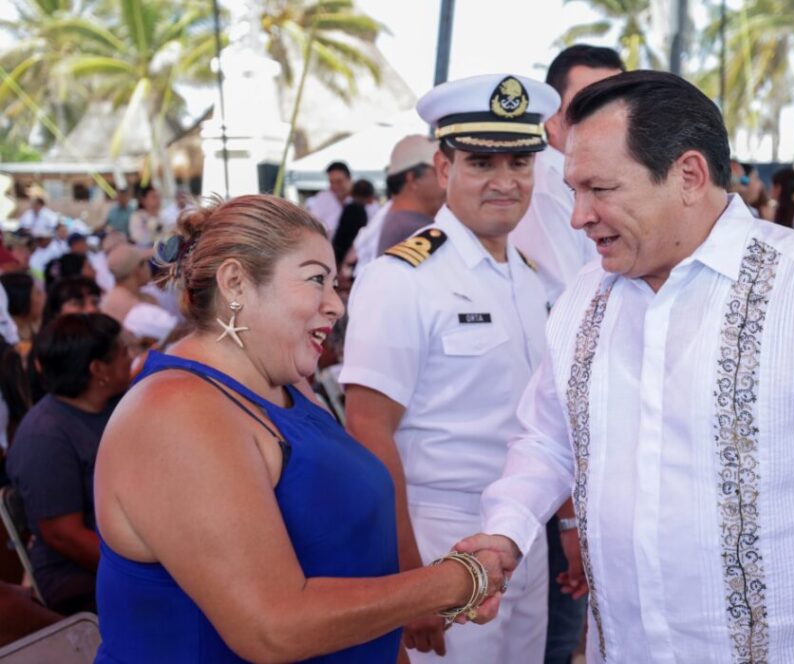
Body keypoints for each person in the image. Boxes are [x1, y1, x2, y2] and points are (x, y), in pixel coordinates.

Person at [456, 71, 794, 663]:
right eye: (573, 190)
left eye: (600, 189)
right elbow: (549, 439)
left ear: (688, 175)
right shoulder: (586, 298)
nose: (579, 216)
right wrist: (507, 528)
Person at [93, 195, 506, 663]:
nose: (335, 305)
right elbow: (273, 627)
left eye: (334, 283)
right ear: (236, 283)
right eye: (315, 280)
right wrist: (455, 581)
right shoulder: (173, 414)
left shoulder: (288, 387)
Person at [342, 73, 559, 663]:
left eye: (519, 163)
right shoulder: (402, 277)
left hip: (522, 533)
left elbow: (543, 419)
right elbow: (367, 428)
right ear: (443, 168)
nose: (505, 182)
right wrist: (408, 580)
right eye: (482, 163)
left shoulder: (529, 275)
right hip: (441, 533)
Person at [508, 43, 622, 664]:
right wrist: (571, 517)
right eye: (587, 103)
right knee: (552, 636)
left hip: (596, 465)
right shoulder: (532, 203)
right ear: (552, 124)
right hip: (548, 470)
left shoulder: (631, 193)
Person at [5, 313, 132, 614]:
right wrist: (142, 571)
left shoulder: (117, 404)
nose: (132, 358)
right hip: (83, 579)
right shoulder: (46, 436)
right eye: (124, 352)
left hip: (133, 552)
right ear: (97, 369)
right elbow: (65, 536)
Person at [510, 44, 622, 303]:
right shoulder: (545, 186)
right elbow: (570, 299)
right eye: (589, 105)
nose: (608, 118)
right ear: (552, 120)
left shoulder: (612, 179)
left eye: (617, 103)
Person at [374, 135, 447, 255]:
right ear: (412, 179)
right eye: (437, 171)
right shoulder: (414, 229)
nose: (446, 178)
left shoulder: (400, 221)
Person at [332, 179, 376, 266]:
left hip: (339, 252)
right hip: (346, 256)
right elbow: (356, 238)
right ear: (369, 196)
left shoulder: (349, 207)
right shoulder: (359, 210)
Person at [307, 161, 352, 239]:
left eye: (339, 182)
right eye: (331, 182)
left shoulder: (358, 200)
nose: (335, 186)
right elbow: (313, 224)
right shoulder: (323, 197)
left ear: (349, 179)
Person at [0, 272, 44, 344]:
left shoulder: (44, 329)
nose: (43, 297)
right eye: (37, 293)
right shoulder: (4, 341)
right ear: (21, 299)